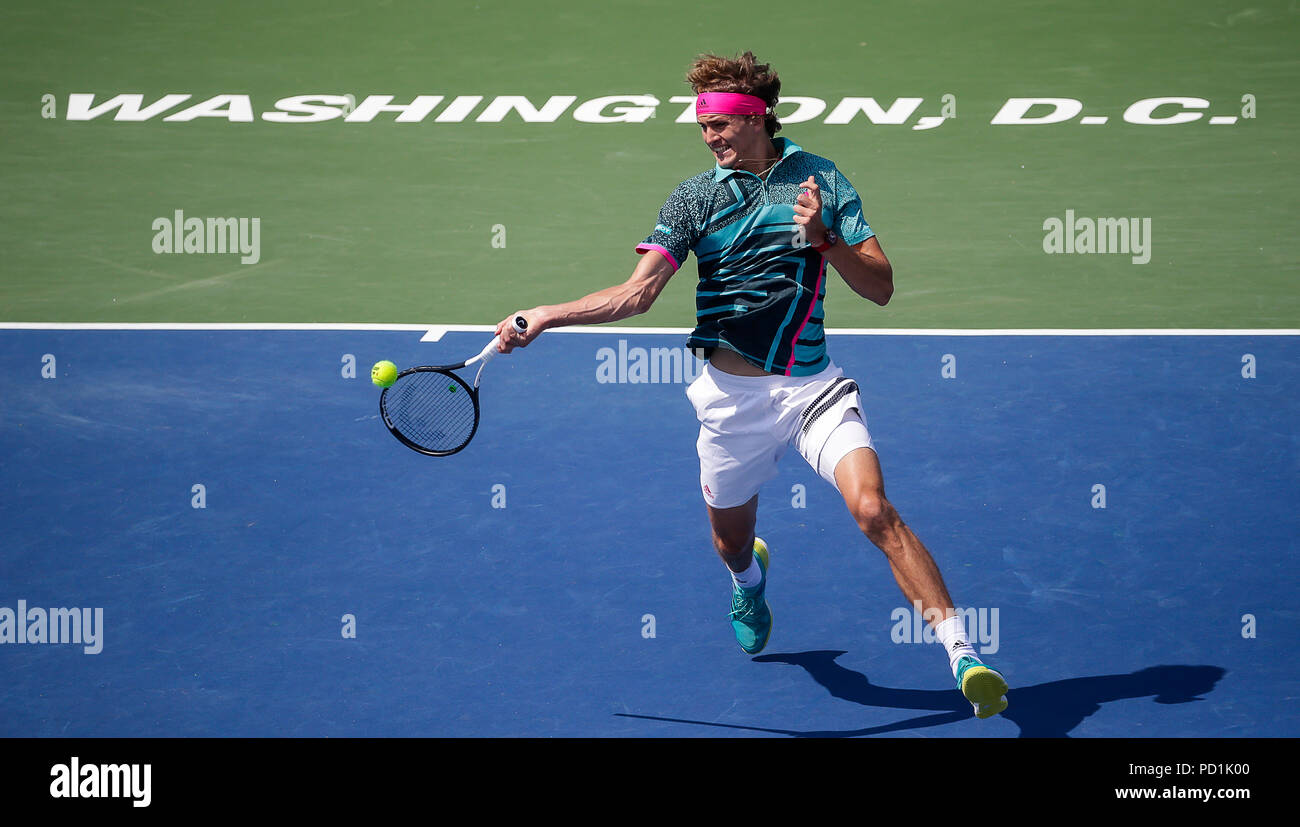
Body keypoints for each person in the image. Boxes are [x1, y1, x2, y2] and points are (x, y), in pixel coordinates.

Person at [495, 51, 1008, 718]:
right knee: (731, 541)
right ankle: (749, 578)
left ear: (759, 117)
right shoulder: (695, 197)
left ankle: (964, 655)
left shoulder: (820, 179)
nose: (710, 137)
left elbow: (880, 288)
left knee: (874, 510)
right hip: (730, 404)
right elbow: (638, 293)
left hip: (813, 390)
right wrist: (545, 315)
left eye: (722, 124)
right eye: (702, 127)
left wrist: (825, 240)